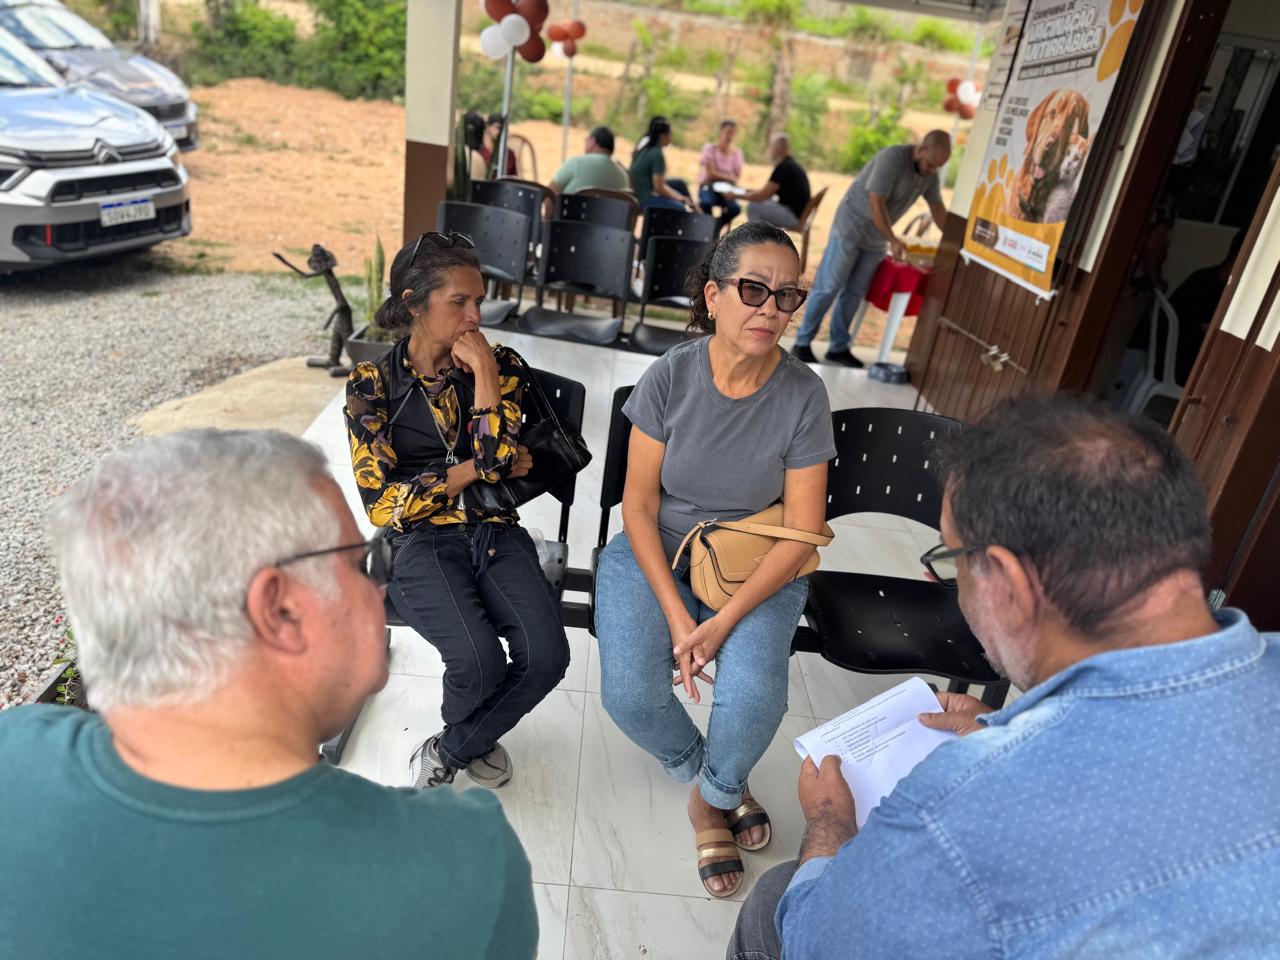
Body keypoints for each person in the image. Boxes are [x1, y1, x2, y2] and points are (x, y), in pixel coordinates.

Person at [727, 392, 1280, 960]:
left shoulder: (952, 813)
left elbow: (816, 943)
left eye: (952, 560)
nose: (946, 581)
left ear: (1011, 585)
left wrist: (829, 823)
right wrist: (1013, 729)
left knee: (776, 900)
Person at [0, 429, 538, 959]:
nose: (380, 585)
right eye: (363, 563)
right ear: (282, 611)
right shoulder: (463, 872)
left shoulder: (12, 751)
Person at [595, 221, 834, 899]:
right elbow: (638, 505)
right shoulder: (671, 375)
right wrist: (680, 619)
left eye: (787, 296)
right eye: (753, 289)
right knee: (629, 693)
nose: (770, 308)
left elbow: (802, 533)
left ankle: (708, 803)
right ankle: (714, 775)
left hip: (756, 557)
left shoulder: (803, 394)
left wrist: (722, 622)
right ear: (714, 295)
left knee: (756, 696)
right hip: (658, 547)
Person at [345, 232, 570, 790]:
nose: (475, 316)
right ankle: (476, 736)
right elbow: (383, 504)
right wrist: (472, 469)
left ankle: (453, 746)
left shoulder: (500, 365)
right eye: (459, 302)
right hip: (418, 542)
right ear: (414, 303)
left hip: (495, 531)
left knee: (547, 656)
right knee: (477, 662)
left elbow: (499, 459)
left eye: (479, 301)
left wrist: (486, 375)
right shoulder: (371, 384)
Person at [791, 131, 950, 368]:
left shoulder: (929, 173)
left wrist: (956, 240)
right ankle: (802, 343)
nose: (932, 171)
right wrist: (893, 239)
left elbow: (937, 208)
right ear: (921, 149)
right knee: (829, 286)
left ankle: (838, 347)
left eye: (938, 167)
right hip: (851, 227)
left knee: (855, 292)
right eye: (930, 164)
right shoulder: (892, 159)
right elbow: (876, 204)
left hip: (877, 237)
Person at [630, 116, 701, 213]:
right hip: (644, 197)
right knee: (681, 208)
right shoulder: (656, 154)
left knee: (680, 184)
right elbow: (659, 188)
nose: (671, 138)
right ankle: (696, 214)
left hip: (641, 190)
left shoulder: (646, 146)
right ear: (663, 136)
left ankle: (696, 210)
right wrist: (679, 198)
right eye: (670, 135)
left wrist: (679, 197)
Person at [745, 133, 812, 230]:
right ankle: (765, 236)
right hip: (797, 214)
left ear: (776, 149)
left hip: (794, 217)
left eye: (771, 147)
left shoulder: (783, 167)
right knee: (763, 203)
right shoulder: (790, 164)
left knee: (753, 207)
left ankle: (757, 238)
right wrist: (751, 192)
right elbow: (767, 194)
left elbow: (761, 196)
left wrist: (736, 195)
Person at [549, 125, 631, 197]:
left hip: (573, 210)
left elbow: (550, 194)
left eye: (587, 140)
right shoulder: (623, 176)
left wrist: (550, 211)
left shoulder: (577, 163)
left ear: (593, 141)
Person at [698, 119, 746, 232]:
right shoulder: (710, 149)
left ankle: (714, 228)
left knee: (735, 208)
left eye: (732, 133)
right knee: (705, 203)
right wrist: (727, 176)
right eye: (728, 132)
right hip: (709, 186)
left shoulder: (736, 153)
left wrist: (721, 175)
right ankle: (710, 228)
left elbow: (736, 177)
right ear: (721, 131)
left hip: (727, 189)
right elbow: (710, 174)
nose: (730, 136)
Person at [480, 112, 519, 178]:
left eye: (505, 129)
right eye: (498, 127)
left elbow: (513, 178)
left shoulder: (509, 154)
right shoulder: (479, 153)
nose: (502, 132)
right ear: (487, 126)